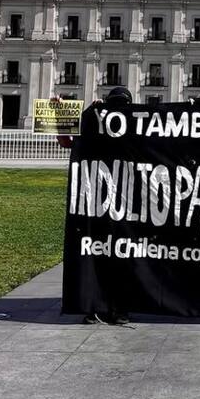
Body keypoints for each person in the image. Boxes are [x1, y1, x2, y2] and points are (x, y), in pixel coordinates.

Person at [61, 87, 133, 325]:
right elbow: (67, 141)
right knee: (95, 255)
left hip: (126, 206)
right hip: (96, 203)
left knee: (124, 257)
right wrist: (65, 113)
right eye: (113, 104)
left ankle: (120, 308)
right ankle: (94, 306)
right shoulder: (93, 126)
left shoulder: (137, 129)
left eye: (122, 105)